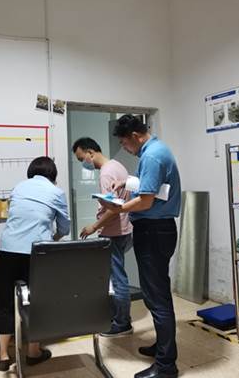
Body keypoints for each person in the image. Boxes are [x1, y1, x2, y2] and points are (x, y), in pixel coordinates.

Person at [100, 115, 181, 378]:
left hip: (154, 231)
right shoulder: (156, 150)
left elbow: (146, 201)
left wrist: (119, 208)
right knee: (157, 294)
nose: (124, 148)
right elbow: (158, 188)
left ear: (135, 136)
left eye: (124, 143)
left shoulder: (152, 156)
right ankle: (162, 348)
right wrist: (127, 183)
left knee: (157, 298)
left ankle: (166, 366)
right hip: (158, 229)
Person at [0, 156, 70, 371]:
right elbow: (64, 227)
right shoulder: (56, 192)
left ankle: (3, 356)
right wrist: (53, 238)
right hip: (36, 252)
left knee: (6, 302)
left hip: (7, 249)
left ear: (31, 172)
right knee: (37, 302)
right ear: (53, 174)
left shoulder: (19, 187)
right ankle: (33, 352)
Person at [72, 137, 133, 337]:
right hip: (124, 229)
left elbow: (113, 208)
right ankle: (118, 317)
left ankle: (122, 323)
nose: (83, 163)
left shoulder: (106, 173)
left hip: (113, 232)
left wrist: (94, 226)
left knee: (117, 279)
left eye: (81, 158)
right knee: (117, 275)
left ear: (91, 153)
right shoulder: (117, 166)